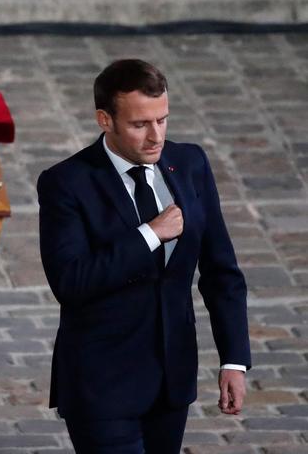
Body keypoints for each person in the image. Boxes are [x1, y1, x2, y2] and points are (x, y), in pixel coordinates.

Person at [37, 59, 251, 453]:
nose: (156, 136)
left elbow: (222, 272)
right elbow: (70, 281)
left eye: (163, 120)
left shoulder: (189, 164)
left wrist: (233, 360)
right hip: (102, 384)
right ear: (105, 120)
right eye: (140, 125)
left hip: (171, 382)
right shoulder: (66, 183)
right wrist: (150, 234)